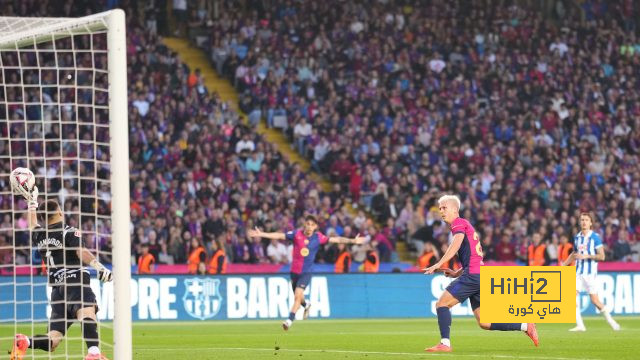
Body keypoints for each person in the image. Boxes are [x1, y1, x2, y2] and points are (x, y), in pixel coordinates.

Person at [423, 195, 539, 352]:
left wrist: (438, 263)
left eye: (444, 207)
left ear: (455, 209)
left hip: (472, 276)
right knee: (485, 322)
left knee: (442, 304)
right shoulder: (465, 225)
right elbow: (474, 257)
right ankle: (526, 325)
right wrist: (457, 272)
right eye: (440, 208)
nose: (441, 211)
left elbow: (455, 245)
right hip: (478, 275)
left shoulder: (459, 223)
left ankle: (445, 344)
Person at [11, 185, 112, 360]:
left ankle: (25, 341)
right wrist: (99, 266)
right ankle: (94, 354)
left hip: (57, 290)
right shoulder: (68, 232)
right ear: (58, 212)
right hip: (75, 280)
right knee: (87, 313)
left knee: (54, 339)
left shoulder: (40, 235)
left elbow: (33, 225)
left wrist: (32, 203)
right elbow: (80, 251)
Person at [248, 215, 364, 330]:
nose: (309, 227)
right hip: (294, 272)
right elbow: (279, 235)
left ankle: (289, 320)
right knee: (299, 297)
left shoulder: (319, 237)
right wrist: (262, 234)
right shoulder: (296, 234)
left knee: (297, 296)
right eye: (308, 224)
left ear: (315, 227)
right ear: (304, 224)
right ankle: (306, 305)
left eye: (312, 225)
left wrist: (352, 240)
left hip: (306, 272)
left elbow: (337, 239)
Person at [563, 212, 620, 331]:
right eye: (582, 220)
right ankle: (580, 325)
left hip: (590, 275)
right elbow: (574, 254)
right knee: (571, 297)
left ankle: (612, 322)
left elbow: (602, 256)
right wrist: (563, 265)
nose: (584, 222)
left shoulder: (595, 237)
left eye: (586, 220)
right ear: (580, 222)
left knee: (595, 301)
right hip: (578, 273)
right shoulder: (577, 237)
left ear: (591, 223)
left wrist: (586, 256)